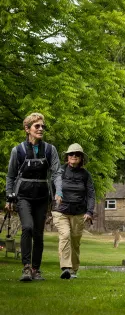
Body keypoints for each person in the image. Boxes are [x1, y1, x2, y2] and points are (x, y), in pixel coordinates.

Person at [5, 113, 63, 282]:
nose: (41, 129)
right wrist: (9, 198)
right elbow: (10, 176)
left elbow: (57, 173)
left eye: (42, 126)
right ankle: (26, 267)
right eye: (37, 126)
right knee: (28, 227)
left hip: (42, 198)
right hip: (23, 197)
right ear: (27, 129)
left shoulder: (50, 150)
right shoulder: (18, 150)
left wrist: (58, 192)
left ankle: (36, 270)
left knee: (38, 234)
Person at [52, 143, 95, 279]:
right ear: (67, 157)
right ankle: (65, 267)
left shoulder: (86, 175)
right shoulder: (61, 171)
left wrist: (89, 212)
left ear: (81, 158)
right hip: (61, 211)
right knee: (65, 236)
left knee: (75, 241)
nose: (74, 156)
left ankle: (74, 270)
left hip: (78, 213)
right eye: (71, 154)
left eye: (77, 154)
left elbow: (91, 194)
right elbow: (52, 187)